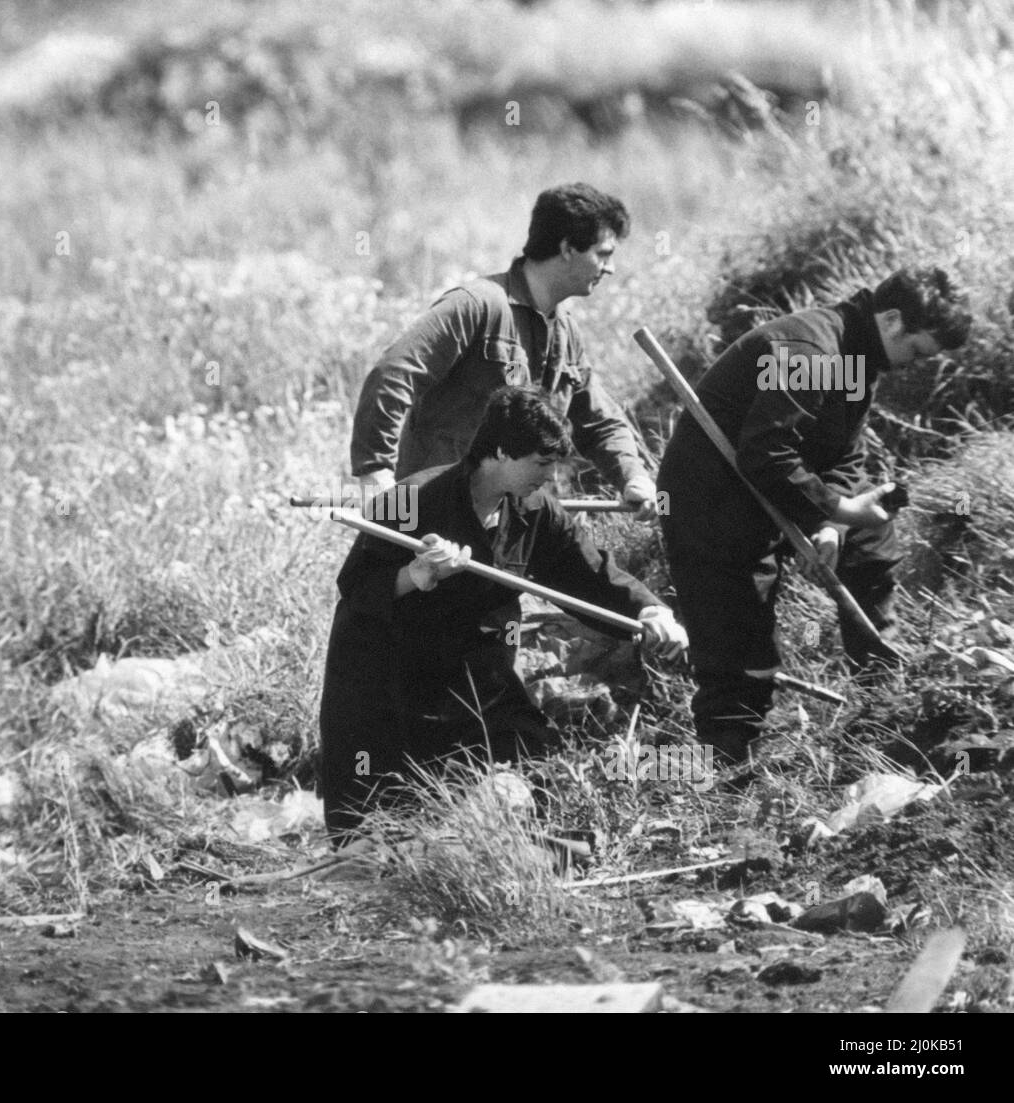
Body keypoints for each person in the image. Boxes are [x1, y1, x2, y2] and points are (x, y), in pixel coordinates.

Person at [320, 387, 687, 843]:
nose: (550, 476)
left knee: (525, 762)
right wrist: (416, 574)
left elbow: (592, 574)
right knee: (379, 831)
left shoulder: (535, 509)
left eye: (555, 464)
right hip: (387, 680)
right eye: (540, 463)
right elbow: (355, 590)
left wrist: (651, 610)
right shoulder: (409, 498)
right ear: (497, 452)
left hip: (475, 676)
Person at [657, 266, 972, 764]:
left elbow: (843, 455)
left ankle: (879, 691)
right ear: (891, 321)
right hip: (712, 504)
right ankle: (720, 767)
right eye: (917, 351)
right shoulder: (812, 351)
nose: (913, 365)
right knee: (742, 659)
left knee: (870, 540)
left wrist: (832, 522)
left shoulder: (856, 358)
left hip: (774, 492)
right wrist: (841, 507)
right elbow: (766, 455)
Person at [349, 181, 659, 520]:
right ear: (568, 248)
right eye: (603, 254)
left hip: (510, 527)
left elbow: (599, 422)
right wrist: (375, 471)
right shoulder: (477, 305)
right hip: (436, 515)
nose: (610, 268)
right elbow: (395, 372)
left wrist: (634, 477)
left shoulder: (565, 333)